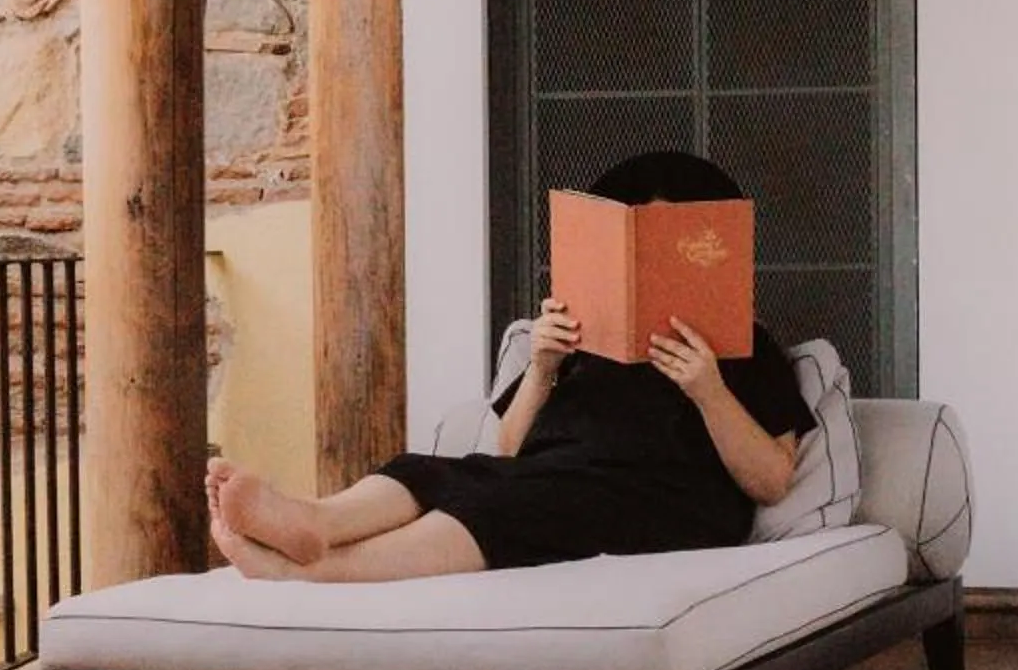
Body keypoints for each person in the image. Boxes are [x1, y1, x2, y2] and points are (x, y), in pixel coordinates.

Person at [208, 152, 810, 584]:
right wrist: (544, 365)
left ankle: (313, 572)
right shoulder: (589, 334)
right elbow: (510, 449)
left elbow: (772, 480)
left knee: (510, 505)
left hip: (665, 502)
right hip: (555, 477)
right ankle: (316, 521)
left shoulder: (744, 345)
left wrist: (708, 390)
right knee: (428, 469)